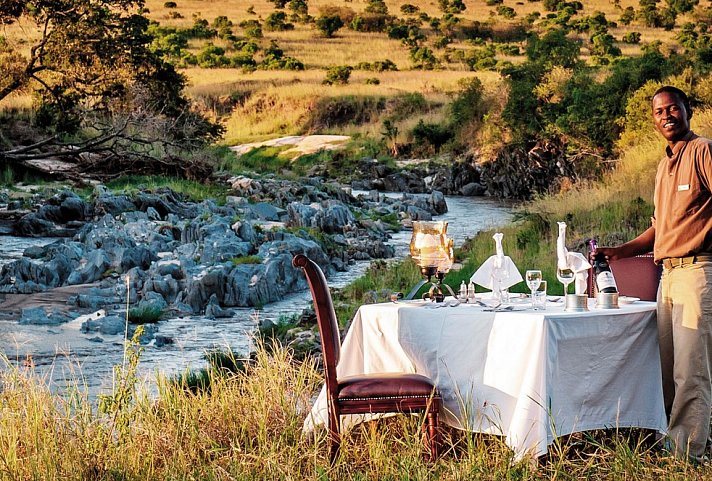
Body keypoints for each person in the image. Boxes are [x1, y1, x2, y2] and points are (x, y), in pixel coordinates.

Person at [596, 85, 712, 463]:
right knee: (665, 366)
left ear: (686, 110)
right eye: (659, 111)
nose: (665, 116)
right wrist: (620, 251)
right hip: (668, 276)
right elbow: (660, 228)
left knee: (691, 369)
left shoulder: (703, 151)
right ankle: (668, 439)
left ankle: (686, 454)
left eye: (672, 108)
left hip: (698, 270)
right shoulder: (664, 165)